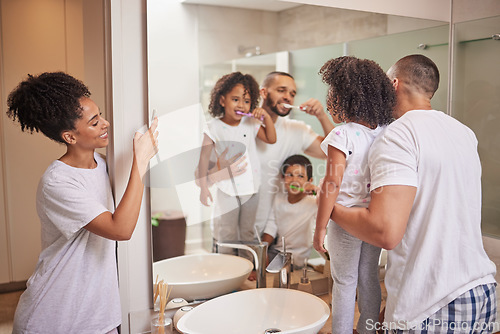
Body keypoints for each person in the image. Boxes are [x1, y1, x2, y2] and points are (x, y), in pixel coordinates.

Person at [329, 54, 497, 332]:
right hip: (481, 293)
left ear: (393, 83)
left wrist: (328, 209)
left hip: (431, 302)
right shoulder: (463, 132)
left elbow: (385, 232)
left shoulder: (397, 135)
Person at [7, 72, 159, 333]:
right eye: (94, 122)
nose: (106, 123)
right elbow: (120, 229)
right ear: (70, 137)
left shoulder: (103, 164)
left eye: (100, 115)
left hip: (100, 317)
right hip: (54, 318)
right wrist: (141, 161)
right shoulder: (57, 182)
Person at [313, 56, 396, 334]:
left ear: (346, 97)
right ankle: (368, 329)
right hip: (373, 217)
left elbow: (331, 183)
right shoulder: (386, 133)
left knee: (344, 281)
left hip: (346, 221)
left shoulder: (343, 135)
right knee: (369, 277)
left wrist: (320, 227)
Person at [197, 71, 276, 254]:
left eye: (246, 101)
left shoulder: (250, 123)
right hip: (227, 190)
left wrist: (265, 118)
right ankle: (227, 269)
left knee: (248, 232)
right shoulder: (213, 127)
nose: (241, 105)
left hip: (251, 188)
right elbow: (203, 159)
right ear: (222, 100)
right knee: (228, 233)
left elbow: (271, 138)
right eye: (235, 99)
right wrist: (203, 188)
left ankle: (247, 267)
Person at [254, 71, 335, 235]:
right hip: (233, 225)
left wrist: (322, 116)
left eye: (292, 93)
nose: (288, 97)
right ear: (263, 92)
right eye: (281, 90)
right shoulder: (245, 126)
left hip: (272, 229)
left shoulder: (297, 130)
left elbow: (333, 151)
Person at [262, 154, 318, 269]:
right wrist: (262, 251)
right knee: (252, 261)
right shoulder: (279, 198)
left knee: (275, 270)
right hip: (277, 251)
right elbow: (271, 227)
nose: (294, 180)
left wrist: (318, 192)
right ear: (283, 178)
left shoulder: (314, 203)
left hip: (297, 257)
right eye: (289, 175)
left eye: (301, 176)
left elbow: (330, 204)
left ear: (310, 181)